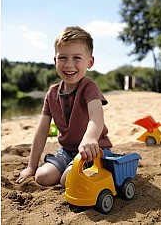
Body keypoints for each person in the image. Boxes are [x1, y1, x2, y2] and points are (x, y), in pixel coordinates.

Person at [16, 26, 112, 188]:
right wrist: (31, 167)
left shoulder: (89, 87)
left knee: (67, 179)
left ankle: (89, 170)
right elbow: (42, 131)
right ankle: (61, 168)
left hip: (93, 151)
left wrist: (90, 138)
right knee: (42, 176)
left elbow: (96, 117)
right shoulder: (52, 93)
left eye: (76, 58)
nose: (69, 64)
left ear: (90, 62)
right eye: (63, 58)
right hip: (66, 151)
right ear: (55, 61)